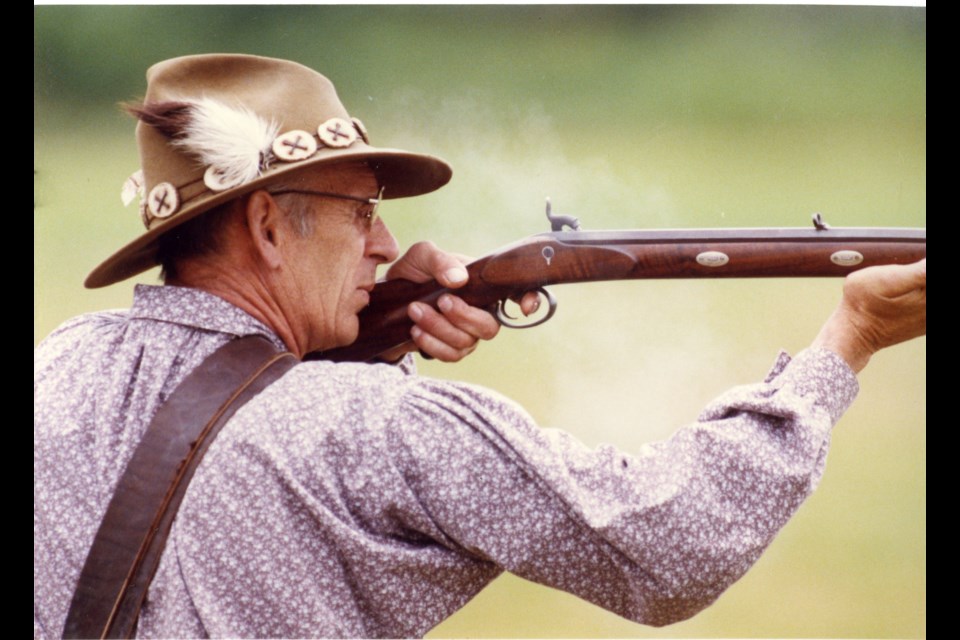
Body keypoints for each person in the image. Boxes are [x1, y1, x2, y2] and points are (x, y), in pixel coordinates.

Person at [34, 54, 925, 639]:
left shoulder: (59, 365)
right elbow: (673, 550)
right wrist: (844, 346)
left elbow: (220, 434)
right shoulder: (381, 430)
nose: (384, 248)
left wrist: (369, 344)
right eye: (363, 215)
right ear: (268, 227)